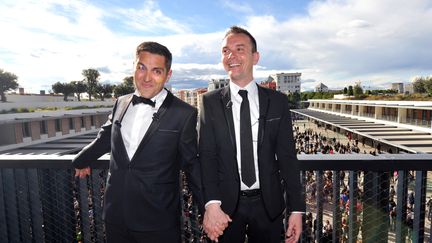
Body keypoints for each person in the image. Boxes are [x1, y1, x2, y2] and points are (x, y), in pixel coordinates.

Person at [73, 41, 203, 243]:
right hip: (116, 217)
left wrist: (209, 207)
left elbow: (192, 164)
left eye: (156, 71)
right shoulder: (121, 102)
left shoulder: (184, 113)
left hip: (158, 222)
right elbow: (105, 138)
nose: (147, 77)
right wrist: (80, 160)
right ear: (134, 66)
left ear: (168, 75)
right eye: (141, 68)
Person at [199, 26, 305, 243]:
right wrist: (211, 204)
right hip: (224, 208)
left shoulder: (277, 102)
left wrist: (297, 210)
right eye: (225, 50)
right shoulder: (209, 102)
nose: (231, 56)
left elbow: (287, 157)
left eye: (239, 49)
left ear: (255, 57)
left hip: (268, 206)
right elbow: (206, 156)